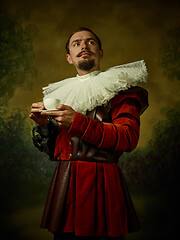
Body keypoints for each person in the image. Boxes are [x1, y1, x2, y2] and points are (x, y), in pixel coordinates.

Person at [30, 27, 149, 240]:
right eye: (76, 43)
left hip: (103, 183)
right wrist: (44, 125)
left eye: (90, 42)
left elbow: (128, 137)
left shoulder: (121, 89)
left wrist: (77, 121)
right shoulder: (62, 95)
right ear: (69, 57)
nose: (84, 46)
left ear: (100, 52)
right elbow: (59, 149)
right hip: (65, 183)